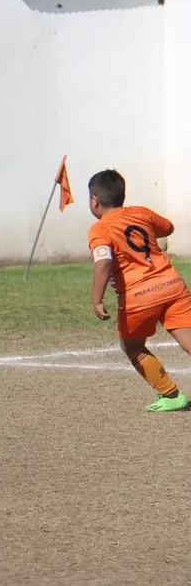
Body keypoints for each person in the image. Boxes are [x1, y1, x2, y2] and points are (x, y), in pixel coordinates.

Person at [87, 169, 191, 411]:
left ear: (95, 201)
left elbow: (103, 261)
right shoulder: (141, 213)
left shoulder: (100, 229)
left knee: (132, 346)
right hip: (172, 285)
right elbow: (167, 228)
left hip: (139, 296)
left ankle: (172, 395)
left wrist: (96, 299)